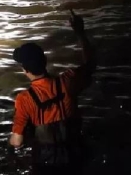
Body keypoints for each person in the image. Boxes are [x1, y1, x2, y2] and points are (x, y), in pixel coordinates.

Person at [8, 10, 97, 174]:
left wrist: (11, 141)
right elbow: (91, 63)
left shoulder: (24, 99)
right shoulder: (68, 82)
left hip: (46, 165)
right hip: (76, 157)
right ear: (45, 61)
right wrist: (80, 33)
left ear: (25, 70)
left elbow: (17, 142)